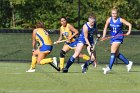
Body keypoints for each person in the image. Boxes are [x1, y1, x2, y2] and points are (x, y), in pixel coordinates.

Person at [102, 8, 133, 74]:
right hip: (113, 37)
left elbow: (129, 25)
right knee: (116, 54)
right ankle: (128, 63)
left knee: (112, 52)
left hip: (119, 37)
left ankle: (109, 68)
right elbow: (105, 28)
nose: (114, 15)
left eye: (115, 13)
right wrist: (103, 36)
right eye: (113, 13)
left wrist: (129, 32)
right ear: (111, 14)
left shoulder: (120, 20)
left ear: (117, 13)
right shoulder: (109, 19)